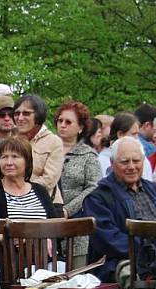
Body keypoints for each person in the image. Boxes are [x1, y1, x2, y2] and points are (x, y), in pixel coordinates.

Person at [0, 137, 74, 289]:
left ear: (27, 162)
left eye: (15, 156)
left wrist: (47, 239)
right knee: (47, 278)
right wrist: (32, 240)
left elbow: (52, 227)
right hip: (14, 262)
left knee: (64, 276)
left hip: (47, 259)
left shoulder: (39, 191)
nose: (9, 162)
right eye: (4, 157)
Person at [84, 136, 156, 289]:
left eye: (136, 161)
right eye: (125, 162)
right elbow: (107, 239)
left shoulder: (154, 190)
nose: (132, 166)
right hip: (120, 260)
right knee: (135, 276)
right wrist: (142, 253)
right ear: (113, 164)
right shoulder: (99, 196)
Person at [55, 101, 100, 266]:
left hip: (77, 230)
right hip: (46, 228)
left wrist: (68, 210)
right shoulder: (47, 150)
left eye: (68, 122)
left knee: (74, 278)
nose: (62, 125)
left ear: (80, 127)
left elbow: (93, 188)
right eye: (60, 121)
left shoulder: (89, 155)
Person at [13, 94, 64, 205]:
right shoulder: (10, 142)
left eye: (26, 113)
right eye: (17, 113)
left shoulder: (54, 142)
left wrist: (17, 190)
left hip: (46, 204)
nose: (20, 118)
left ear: (39, 115)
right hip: (11, 204)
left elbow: (49, 180)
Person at [97, 112, 153, 180]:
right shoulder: (101, 160)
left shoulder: (142, 159)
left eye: (135, 161)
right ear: (120, 134)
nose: (137, 139)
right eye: (133, 134)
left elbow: (147, 184)